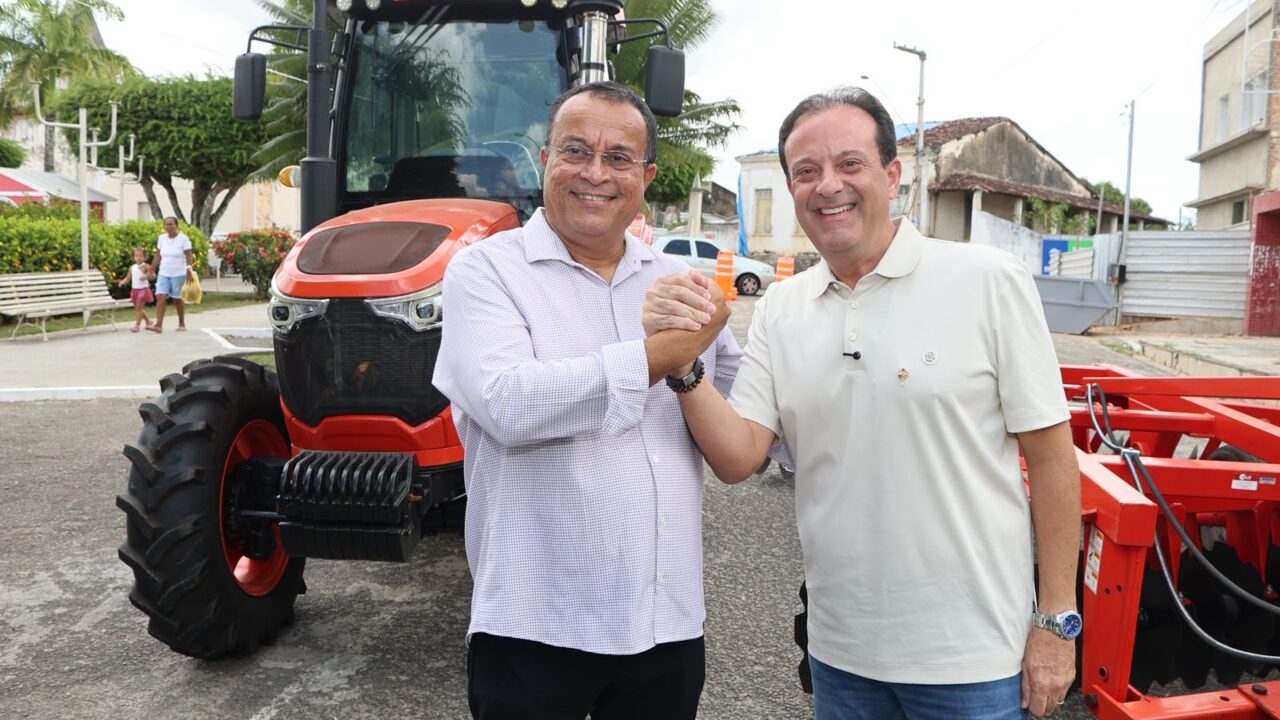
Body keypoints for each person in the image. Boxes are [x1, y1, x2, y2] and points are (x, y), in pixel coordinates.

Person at [643, 87, 1081, 719]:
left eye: (850, 164)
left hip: (975, 660)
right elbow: (739, 457)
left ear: (892, 174)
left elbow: (1051, 459)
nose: (829, 186)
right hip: (841, 656)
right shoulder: (782, 308)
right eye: (806, 172)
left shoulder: (987, 281)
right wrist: (682, 363)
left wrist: (1056, 620)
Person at [432, 81, 736, 720]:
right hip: (533, 622)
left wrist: (690, 370)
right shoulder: (486, 271)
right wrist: (662, 356)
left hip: (665, 622)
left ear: (646, 177)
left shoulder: (677, 287)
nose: (596, 173)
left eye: (619, 158)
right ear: (545, 161)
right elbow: (509, 404)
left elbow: (736, 427)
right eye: (576, 151)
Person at [148, 216, 194, 333]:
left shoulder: (183, 239)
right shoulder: (162, 238)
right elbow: (158, 255)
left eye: (170, 224)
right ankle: (158, 325)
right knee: (160, 296)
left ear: (176, 225)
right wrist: (151, 270)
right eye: (166, 224)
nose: (168, 226)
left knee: (177, 299)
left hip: (178, 273)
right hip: (164, 273)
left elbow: (189, 255)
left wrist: (189, 270)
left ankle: (181, 323)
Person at [117, 247, 155, 332]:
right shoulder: (132, 267)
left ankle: (137, 326)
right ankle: (148, 321)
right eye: (136, 256)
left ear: (145, 257)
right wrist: (122, 282)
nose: (138, 257)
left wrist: (146, 276)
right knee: (138, 308)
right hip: (135, 290)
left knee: (138, 308)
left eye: (141, 256)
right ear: (133, 257)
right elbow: (128, 278)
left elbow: (153, 276)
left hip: (143, 290)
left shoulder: (146, 266)